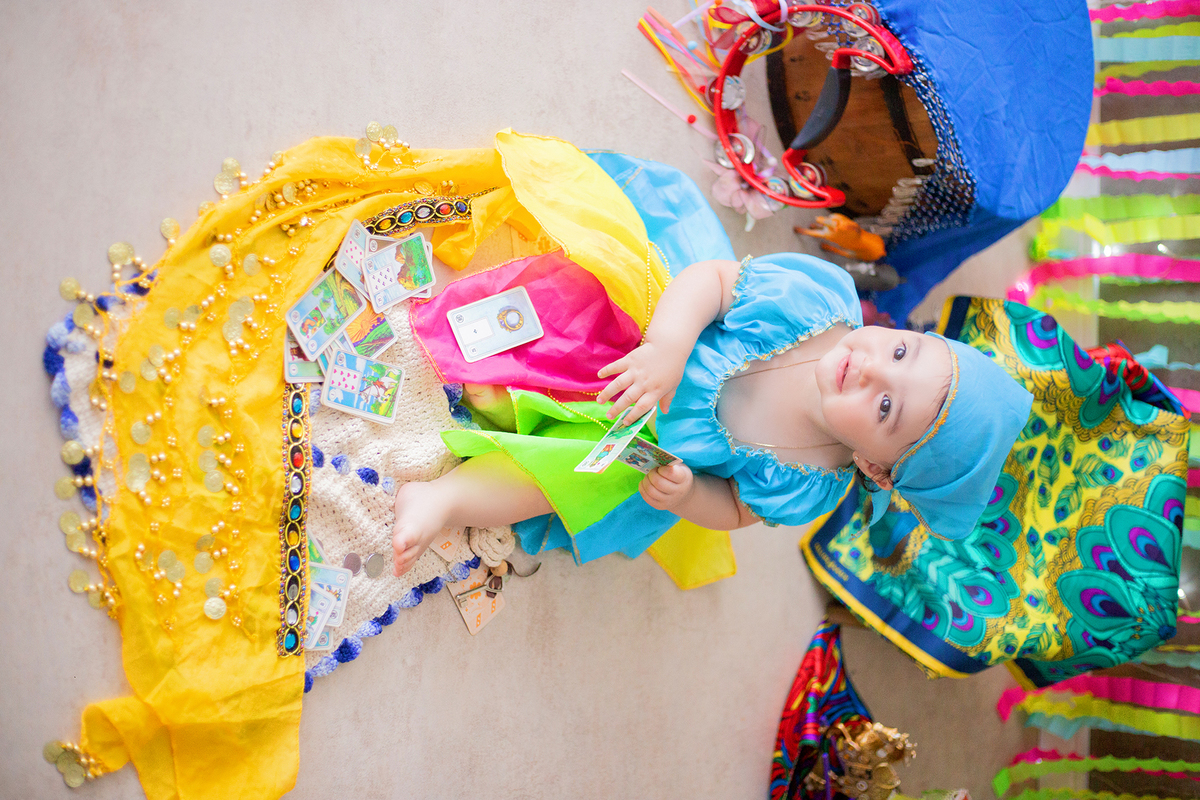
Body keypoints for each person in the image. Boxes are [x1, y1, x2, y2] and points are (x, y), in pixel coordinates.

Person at [391, 250, 1034, 577]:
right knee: (559, 305)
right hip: (640, 344)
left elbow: (734, 510)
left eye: (887, 406)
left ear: (875, 467)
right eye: (901, 349)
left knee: (565, 480)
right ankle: (500, 367)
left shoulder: (807, 484)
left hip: (641, 444)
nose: (871, 366)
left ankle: (444, 498)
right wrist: (668, 347)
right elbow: (712, 281)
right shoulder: (817, 305)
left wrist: (686, 495)